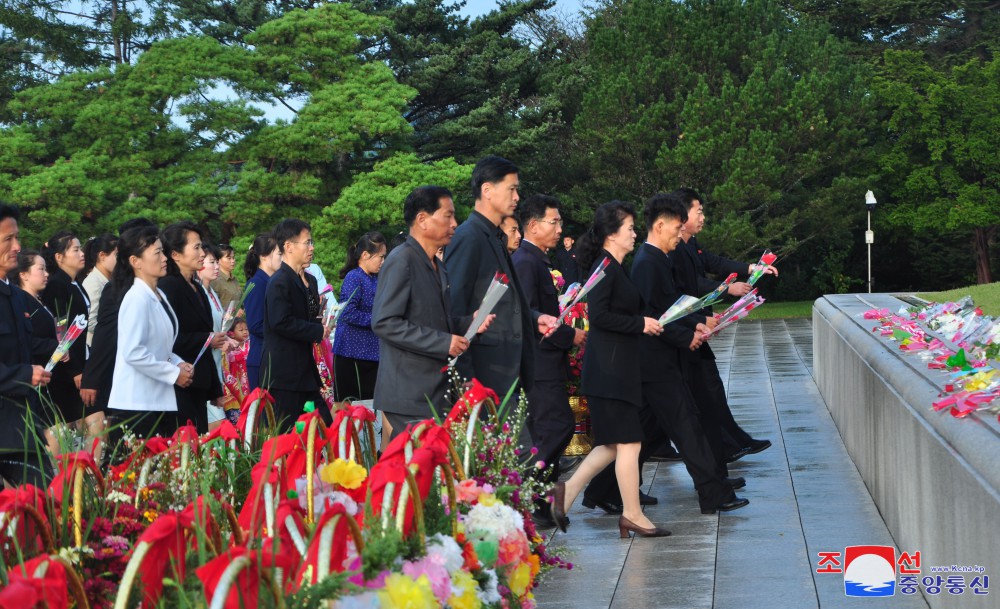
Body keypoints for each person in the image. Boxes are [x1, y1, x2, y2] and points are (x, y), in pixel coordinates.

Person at [548, 200, 671, 538]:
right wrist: (639, 324)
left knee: (612, 445)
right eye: (630, 228)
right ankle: (632, 514)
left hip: (615, 369)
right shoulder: (605, 266)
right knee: (629, 444)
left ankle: (567, 492)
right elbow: (599, 317)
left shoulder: (613, 266)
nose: (635, 234)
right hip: (610, 371)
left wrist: (647, 321)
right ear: (613, 234)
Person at [630, 193, 746, 513]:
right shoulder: (647, 263)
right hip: (655, 363)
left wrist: (695, 326)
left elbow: (672, 308)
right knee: (687, 427)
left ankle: (605, 490)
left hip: (664, 357)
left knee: (643, 431)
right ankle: (714, 494)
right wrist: (688, 335)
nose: (679, 234)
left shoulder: (658, 259)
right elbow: (656, 316)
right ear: (660, 225)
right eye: (676, 228)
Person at [372, 186, 492, 437]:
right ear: (422, 220)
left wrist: (469, 323)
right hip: (409, 392)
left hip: (435, 390)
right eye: (447, 216)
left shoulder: (437, 264)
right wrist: (443, 342)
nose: (455, 224)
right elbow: (384, 322)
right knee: (417, 469)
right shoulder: (401, 260)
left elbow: (437, 321)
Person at [444, 155, 557, 417]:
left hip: (506, 375)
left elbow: (501, 302)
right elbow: (455, 310)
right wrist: (466, 382)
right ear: (487, 190)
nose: (517, 196)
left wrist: (534, 318)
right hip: (484, 378)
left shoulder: (494, 237)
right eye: (511, 188)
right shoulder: (468, 238)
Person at [672, 188, 773, 462]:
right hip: (684, 330)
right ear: (681, 215)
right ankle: (724, 448)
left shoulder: (690, 243)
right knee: (698, 395)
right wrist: (727, 288)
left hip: (695, 326)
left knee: (709, 389)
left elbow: (711, 262)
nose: (703, 217)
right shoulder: (671, 250)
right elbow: (690, 285)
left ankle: (731, 443)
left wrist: (750, 268)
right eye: (699, 211)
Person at [511, 195, 586, 525]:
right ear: (533, 225)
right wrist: (570, 337)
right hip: (539, 361)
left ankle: (540, 503)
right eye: (553, 222)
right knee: (556, 427)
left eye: (559, 222)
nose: (559, 229)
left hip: (547, 358)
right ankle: (527, 493)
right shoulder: (526, 262)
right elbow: (527, 316)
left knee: (553, 427)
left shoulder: (535, 259)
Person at [106, 226, 193, 440]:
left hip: (155, 400)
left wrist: (178, 362)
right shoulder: (136, 297)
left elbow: (160, 346)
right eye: (157, 253)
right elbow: (133, 352)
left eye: (163, 251)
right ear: (136, 262)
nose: (165, 258)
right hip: (135, 403)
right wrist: (173, 374)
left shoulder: (158, 293)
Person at [80, 219, 157, 418]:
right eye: (156, 250)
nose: (163, 257)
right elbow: (105, 333)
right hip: (130, 381)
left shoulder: (160, 286)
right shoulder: (118, 287)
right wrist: (92, 378)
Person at [0, 204, 52, 486]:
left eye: (17, 237)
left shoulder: (17, 297)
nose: (17, 246)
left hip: (22, 429)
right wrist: (22, 375)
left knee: (46, 507)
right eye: (8, 239)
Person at [260, 218, 330, 427]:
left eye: (311, 242)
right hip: (283, 373)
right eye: (307, 242)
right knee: (285, 436)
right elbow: (281, 322)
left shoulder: (311, 280)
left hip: (304, 370)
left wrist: (323, 324)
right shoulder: (279, 281)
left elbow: (308, 318)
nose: (311, 247)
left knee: (325, 427)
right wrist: (317, 331)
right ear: (288, 247)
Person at [158, 222, 226, 433]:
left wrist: (215, 387)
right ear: (176, 254)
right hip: (178, 379)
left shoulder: (196, 287)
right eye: (195, 247)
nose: (202, 253)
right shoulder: (168, 285)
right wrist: (207, 338)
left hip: (199, 380)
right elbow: (168, 338)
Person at [41, 231, 92, 432]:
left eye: (81, 249)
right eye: (76, 250)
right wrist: (75, 369)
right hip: (67, 368)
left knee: (85, 426)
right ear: (59, 257)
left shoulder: (75, 282)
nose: (82, 254)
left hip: (82, 361)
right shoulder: (56, 285)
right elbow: (60, 331)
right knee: (72, 426)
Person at [13, 250, 60, 455]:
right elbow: (26, 341)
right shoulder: (20, 300)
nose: (46, 273)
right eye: (40, 269)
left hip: (47, 375)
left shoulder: (39, 300)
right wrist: (53, 346)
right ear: (23, 274)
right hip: (30, 375)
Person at [334, 231, 386, 402]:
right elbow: (347, 312)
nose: (383, 262)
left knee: (371, 411)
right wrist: (377, 321)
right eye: (380, 257)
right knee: (350, 409)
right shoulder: (354, 277)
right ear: (365, 255)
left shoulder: (376, 278)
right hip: (351, 354)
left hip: (372, 353)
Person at [198, 241, 233, 430]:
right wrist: (216, 340)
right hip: (204, 362)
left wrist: (227, 338)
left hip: (217, 361)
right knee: (218, 424)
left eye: (217, 262)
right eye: (212, 262)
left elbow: (216, 328)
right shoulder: (198, 292)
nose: (217, 267)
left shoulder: (211, 291)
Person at [243, 232, 281, 390]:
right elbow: (256, 325)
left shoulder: (273, 282)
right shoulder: (257, 284)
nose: (282, 258)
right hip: (263, 359)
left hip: (275, 357)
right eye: (279, 253)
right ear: (265, 256)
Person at [81, 233, 118, 348]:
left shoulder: (110, 279)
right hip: (98, 345)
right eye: (117, 255)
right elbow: (90, 321)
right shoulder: (93, 282)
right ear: (102, 256)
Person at [222, 317, 250, 424]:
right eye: (241, 330)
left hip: (250, 385)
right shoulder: (228, 349)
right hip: (236, 389)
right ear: (231, 333)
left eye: (246, 329)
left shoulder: (251, 344)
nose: (245, 332)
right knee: (239, 423)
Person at [214, 242, 243, 309]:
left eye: (233, 257)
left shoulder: (233, 279)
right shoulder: (215, 280)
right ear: (218, 260)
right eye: (229, 258)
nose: (233, 261)